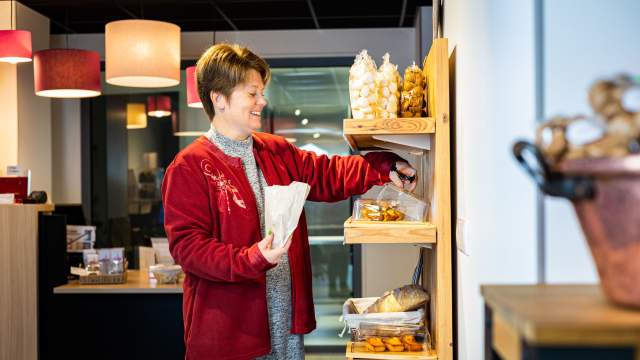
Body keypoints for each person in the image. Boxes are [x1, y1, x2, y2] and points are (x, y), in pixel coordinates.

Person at [161, 43, 418, 360]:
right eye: (252, 93)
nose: (262, 101)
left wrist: (384, 166)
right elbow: (189, 248)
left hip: (283, 326)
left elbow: (327, 173)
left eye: (261, 92)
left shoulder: (275, 151)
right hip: (229, 333)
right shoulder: (189, 167)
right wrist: (252, 257)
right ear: (219, 99)